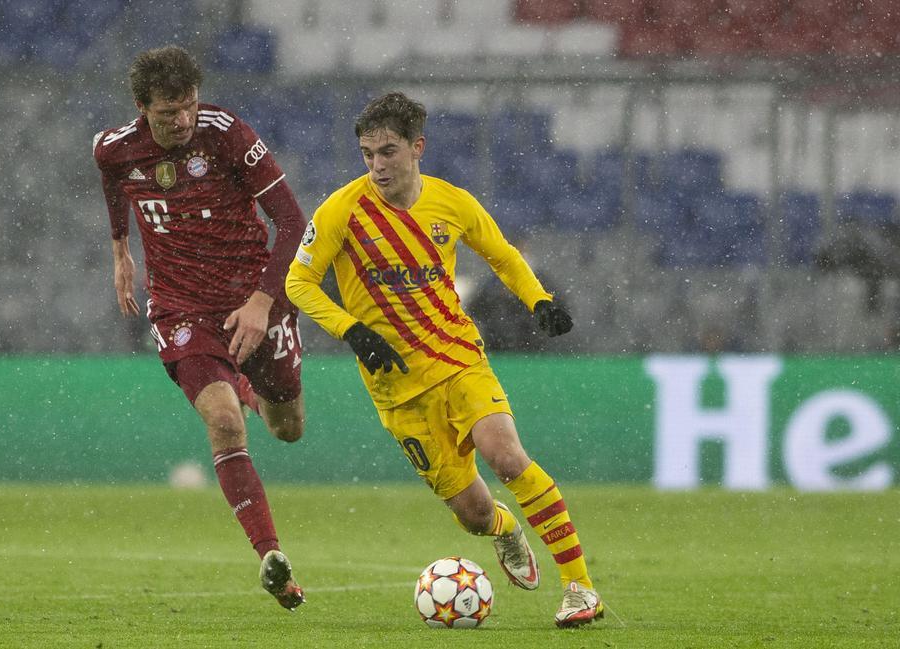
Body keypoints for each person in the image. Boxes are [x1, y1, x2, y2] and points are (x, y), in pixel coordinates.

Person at [286, 92, 603, 628]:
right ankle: (505, 531)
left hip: (457, 356)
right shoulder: (340, 210)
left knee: (505, 456)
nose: (377, 166)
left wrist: (539, 301)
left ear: (417, 148)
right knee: (475, 515)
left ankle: (580, 588)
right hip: (397, 388)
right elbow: (299, 282)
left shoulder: (452, 203)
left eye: (388, 152)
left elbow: (502, 254)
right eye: (367, 154)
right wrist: (352, 329)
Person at [92, 45, 308, 610]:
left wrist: (263, 302)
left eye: (188, 106)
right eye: (168, 113)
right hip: (182, 307)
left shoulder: (228, 133)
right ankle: (272, 558)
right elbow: (115, 188)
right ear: (142, 108)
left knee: (288, 427)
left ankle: (247, 386)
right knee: (222, 421)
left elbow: (293, 220)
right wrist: (120, 250)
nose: (183, 121)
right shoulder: (113, 149)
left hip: (252, 301)